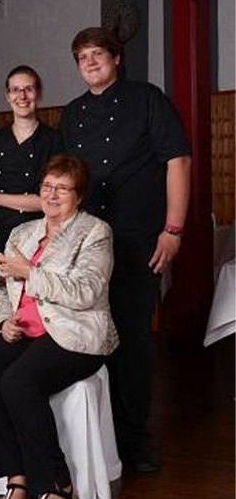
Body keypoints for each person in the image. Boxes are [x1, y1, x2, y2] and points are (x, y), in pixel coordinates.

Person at [59, 26, 191, 472]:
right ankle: (95, 437)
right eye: (82, 57)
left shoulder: (148, 98)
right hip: (84, 241)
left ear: (116, 59)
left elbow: (178, 160)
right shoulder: (73, 114)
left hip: (137, 239)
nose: (91, 62)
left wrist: (173, 229)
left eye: (98, 54)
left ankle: (134, 439)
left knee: (132, 339)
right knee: (88, 334)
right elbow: (63, 180)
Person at [0, 154, 118, 499]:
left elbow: (87, 290)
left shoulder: (95, 232)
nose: (52, 195)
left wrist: (30, 273)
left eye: (62, 188)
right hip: (25, 329)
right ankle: (16, 478)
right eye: (47, 187)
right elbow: (0, 286)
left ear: (78, 195)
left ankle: (56, 482)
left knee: (17, 381)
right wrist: (4, 320)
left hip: (74, 333)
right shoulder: (23, 233)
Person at [0, 65, 61, 257]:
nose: (22, 96)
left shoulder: (54, 140)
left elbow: (48, 201)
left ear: (38, 93)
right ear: (7, 96)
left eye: (28, 89)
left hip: (34, 238)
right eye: (15, 90)